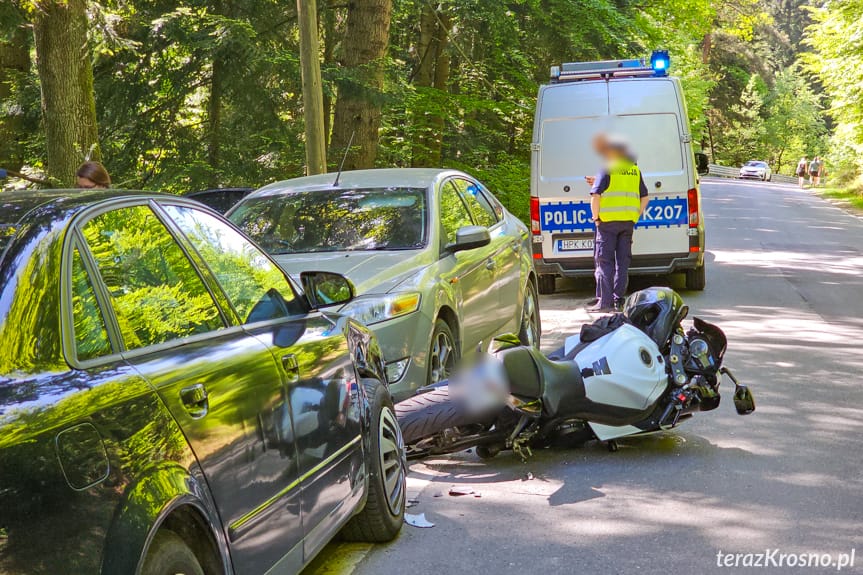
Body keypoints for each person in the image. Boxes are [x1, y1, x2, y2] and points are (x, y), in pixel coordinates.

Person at [584, 134, 649, 313]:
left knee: (605, 262)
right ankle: (618, 300)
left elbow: (595, 196)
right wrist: (635, 216)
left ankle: (605, 303)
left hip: (607, 224)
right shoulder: (634, 170)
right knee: (622, 262)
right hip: (627, 223)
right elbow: (645, 197)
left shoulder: (607, 169)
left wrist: (596, 218)